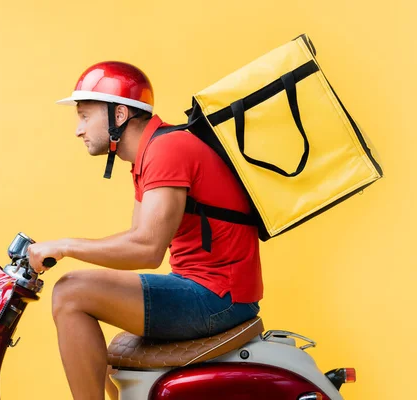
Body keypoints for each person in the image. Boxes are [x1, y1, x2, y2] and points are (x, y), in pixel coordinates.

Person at [27, 61, 263, 400]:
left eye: (84, 116)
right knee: (95, 344)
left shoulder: (167, 150)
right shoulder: (150, 154)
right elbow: (136, 237)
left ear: (119, 115)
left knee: (70, 292)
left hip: (218, 299)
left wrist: (64, 246)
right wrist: (65, 247)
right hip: (204, 289)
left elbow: (147, 250)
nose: (78, 130)